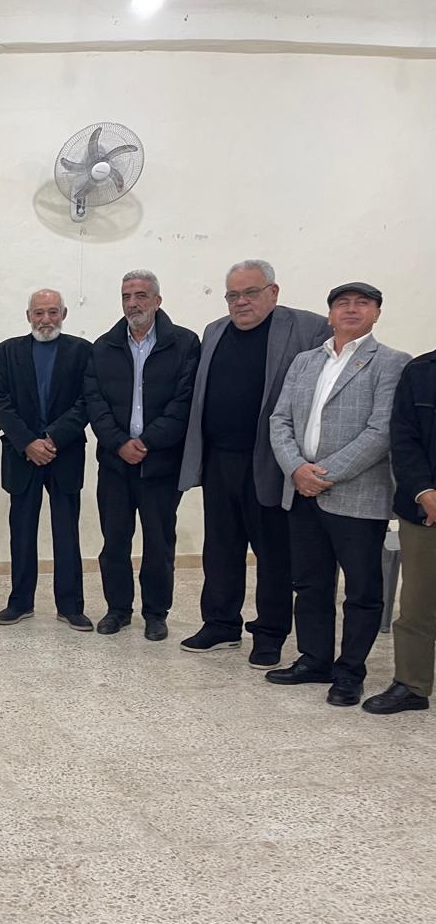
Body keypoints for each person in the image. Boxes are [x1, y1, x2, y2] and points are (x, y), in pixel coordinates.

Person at [177, 259, 331, 668]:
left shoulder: (309, 328)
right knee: (220, 548)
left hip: (272, 461)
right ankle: (221, 623)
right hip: (219, 458)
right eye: (232, 295)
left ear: (273, 292)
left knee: (273, 552)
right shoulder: (214, 331)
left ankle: (270, 633)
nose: (240, 302)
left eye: (250, 292)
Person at [267, 282, 410, 706]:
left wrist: (323, 474)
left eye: (363, 303)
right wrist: (297, 468)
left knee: (362, 590)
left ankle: (349, 672)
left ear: (377, 313)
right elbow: (279, 420)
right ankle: (314, 660)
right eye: (342, 303)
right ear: (329, 314)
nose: (351, 309)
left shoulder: (391, 363)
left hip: (357, 494)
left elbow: (380, 432)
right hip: (302, 490)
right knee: (310, 583)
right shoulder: (305, 361)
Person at [83, 271, 200, 641]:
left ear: (157, 301)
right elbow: (95, 402)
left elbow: (184, 402)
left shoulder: (184, 344)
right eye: (126, 296)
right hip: (115, 464)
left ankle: (155, 613)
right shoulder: (104, 346)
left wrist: (147, 442)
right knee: (114, 541)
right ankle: (118, 609)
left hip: (161, 464)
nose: (132, 303)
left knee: (159, 543)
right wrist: (120, 443)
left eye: (141, 295)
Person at [0, 288, 93, 631]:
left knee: (67, 534)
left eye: (52, 312)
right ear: (28, 316)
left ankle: (71, 606)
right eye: (39, 313)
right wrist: (28, 443)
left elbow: (86, 401)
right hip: (22, 456)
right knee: (21, 533)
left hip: (64, 454)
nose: (45, 319)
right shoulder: (7, 352)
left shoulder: (82, 351)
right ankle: (20, 603)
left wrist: (52, 439)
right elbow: (1, 402)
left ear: (63, 314)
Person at [364, 347, 436, 714]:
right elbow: (403, 439)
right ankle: (411, 684)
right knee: (417, 604)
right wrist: (424, 491)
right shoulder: (420, 371)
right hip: (426, 509)